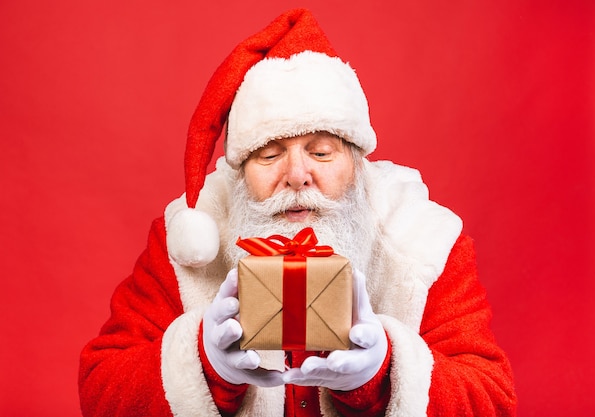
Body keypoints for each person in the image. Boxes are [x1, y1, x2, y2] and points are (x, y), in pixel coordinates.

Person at [79, 8, 517, 417]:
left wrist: (383, 371)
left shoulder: (423, 243)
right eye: (268, 156)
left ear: (357, 164)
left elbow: (493, 398)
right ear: (239, 173)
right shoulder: (188, 240)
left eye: (321, 152)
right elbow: (100, 387)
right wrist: (203, 360)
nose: (296, 176)